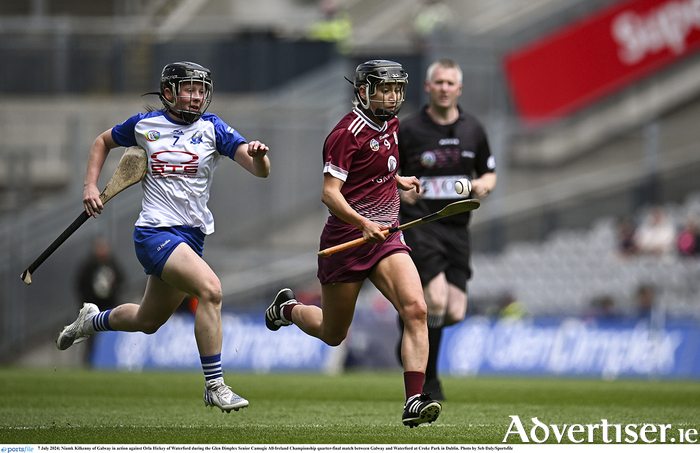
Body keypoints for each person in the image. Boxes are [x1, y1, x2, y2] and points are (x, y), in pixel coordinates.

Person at [56, 61, 271, 413]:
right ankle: (215, 385)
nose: (197, 96)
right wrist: (89, 186)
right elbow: (102, 142)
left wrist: (261, 158)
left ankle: (90, 321)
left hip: (191, 238)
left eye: (201, 89)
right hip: (155, 232)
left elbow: (258, 169)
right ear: (169, 92)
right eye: (189, 88)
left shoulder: (213, 129)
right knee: (211, 290)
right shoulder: (145, 126)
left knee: (147, 321)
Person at [265, 60, 441, 428]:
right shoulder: (346, 133)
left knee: (417, 309)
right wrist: (363, 223)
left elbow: (377, 174)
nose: (392, 97)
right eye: (385, 89)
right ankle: (288, 309)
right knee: (333, 333)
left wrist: (399, 181)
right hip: (347, 241)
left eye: (396, 89)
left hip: (386, 238)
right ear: (363, 90)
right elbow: (331, 195)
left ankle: (414, 400)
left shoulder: (390, 124)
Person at [396, 59, 497, 401]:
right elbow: (387, 175)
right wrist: (402, 191)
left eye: (449, 83)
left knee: (454, 311)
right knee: (436, 299)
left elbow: (489, 171)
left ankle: (410, 324)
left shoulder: (474, 129)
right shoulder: (408, 130)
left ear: (459, 89)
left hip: (457, 230)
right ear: (428, 87)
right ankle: (430, 380)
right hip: (421, 225)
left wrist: (483, 185)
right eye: (438, 82)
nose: (443, 88)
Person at [75, 236, 125, 312]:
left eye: (104, 248)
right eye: (99, 248)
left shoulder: (113, 265)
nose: (102, 251)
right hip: (93, 309)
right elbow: (81, 285)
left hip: (110, 306)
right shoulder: (88, 267)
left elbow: (122, 279)